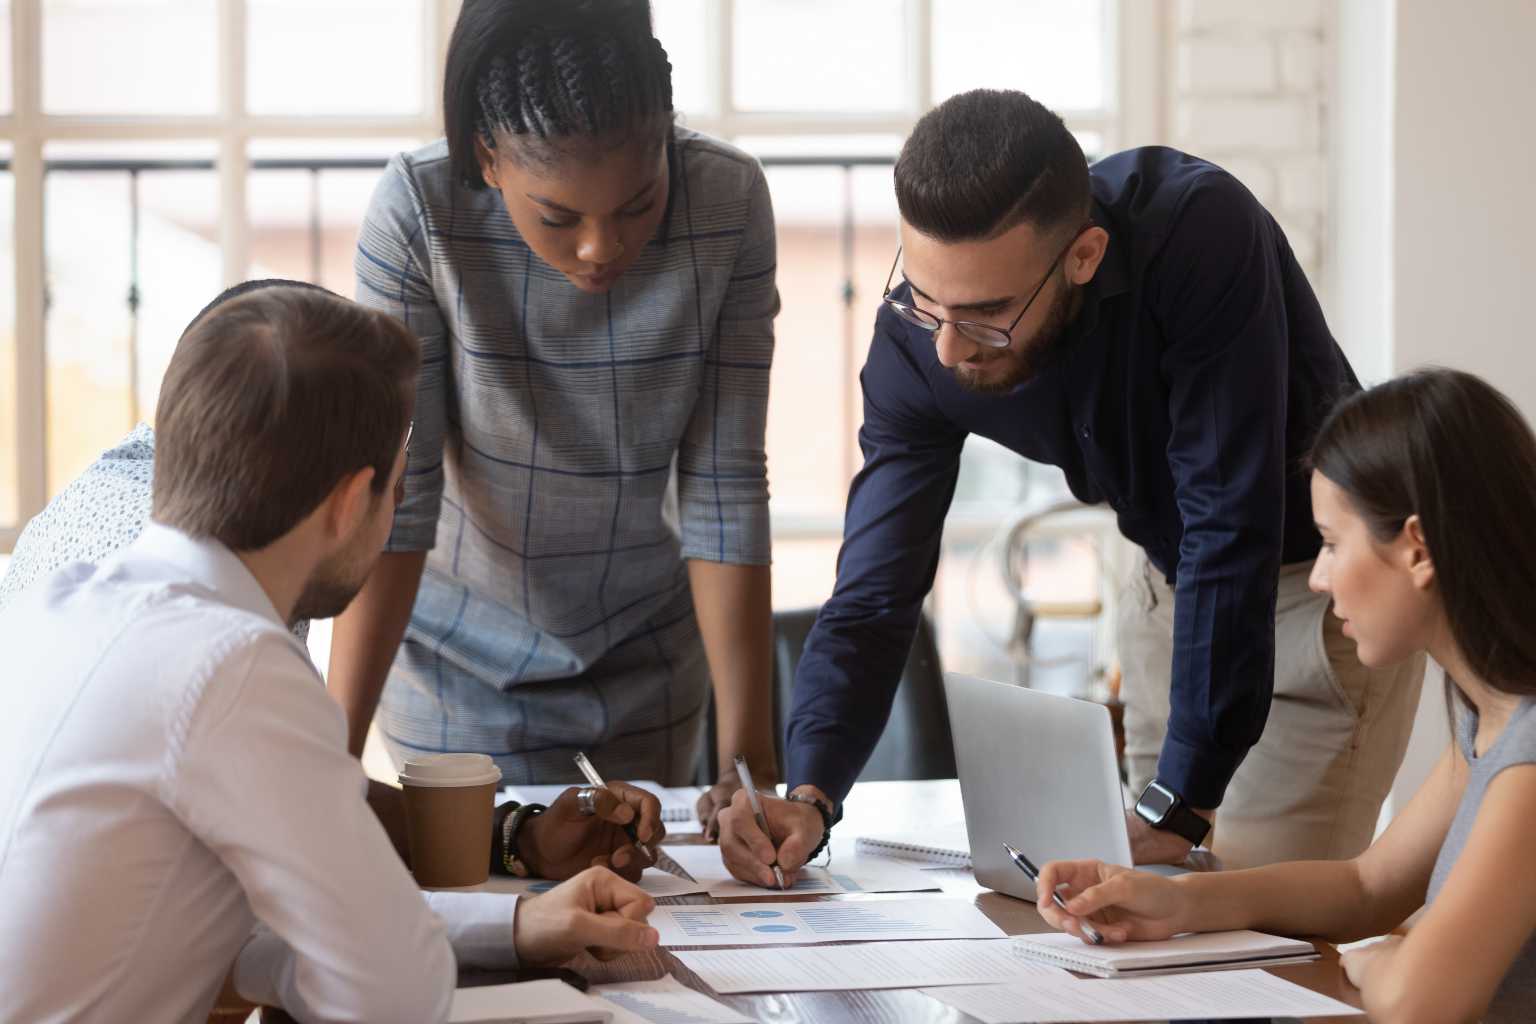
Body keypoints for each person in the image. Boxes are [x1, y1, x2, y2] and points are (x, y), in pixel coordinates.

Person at [717, 88, 1425, 886]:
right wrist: (812, 793)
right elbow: (875, 591)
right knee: (1147, 927)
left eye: (987, 314)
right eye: (926, 297)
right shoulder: (917, 341)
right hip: (1169, 593)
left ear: (1082, 256)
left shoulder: (1199, 233)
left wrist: (1180, 803)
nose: (948, 349)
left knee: (1263, 931)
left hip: (1323, 603)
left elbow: (1230, 520)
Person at [0, 284, 662, 1024]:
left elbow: (228, 933)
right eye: (398, 493)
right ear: (351, 501)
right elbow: (389, 995)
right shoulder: (231, 662)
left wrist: (507, 930)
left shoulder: (53, 607)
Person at [334, 0, 779, 833]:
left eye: (640, 204)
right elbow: (401, 497)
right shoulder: (419, 211)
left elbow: (725, 488)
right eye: (559, 217)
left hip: (649, 658)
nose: (602, 249)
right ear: (487, 158)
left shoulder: (727, 200)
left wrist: (748, 766)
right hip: (457, 670)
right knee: (490, 908)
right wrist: (329, 756)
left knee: (646, 923)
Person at [1034, 369, 1536, 1024]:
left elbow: (1420, 1001)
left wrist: (1387, 960)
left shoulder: (1527, 749)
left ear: (1417, 549)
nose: (1320, 579)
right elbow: (1368, 887)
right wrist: (1175, 904)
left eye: (1330, 544)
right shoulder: (1489, 716)